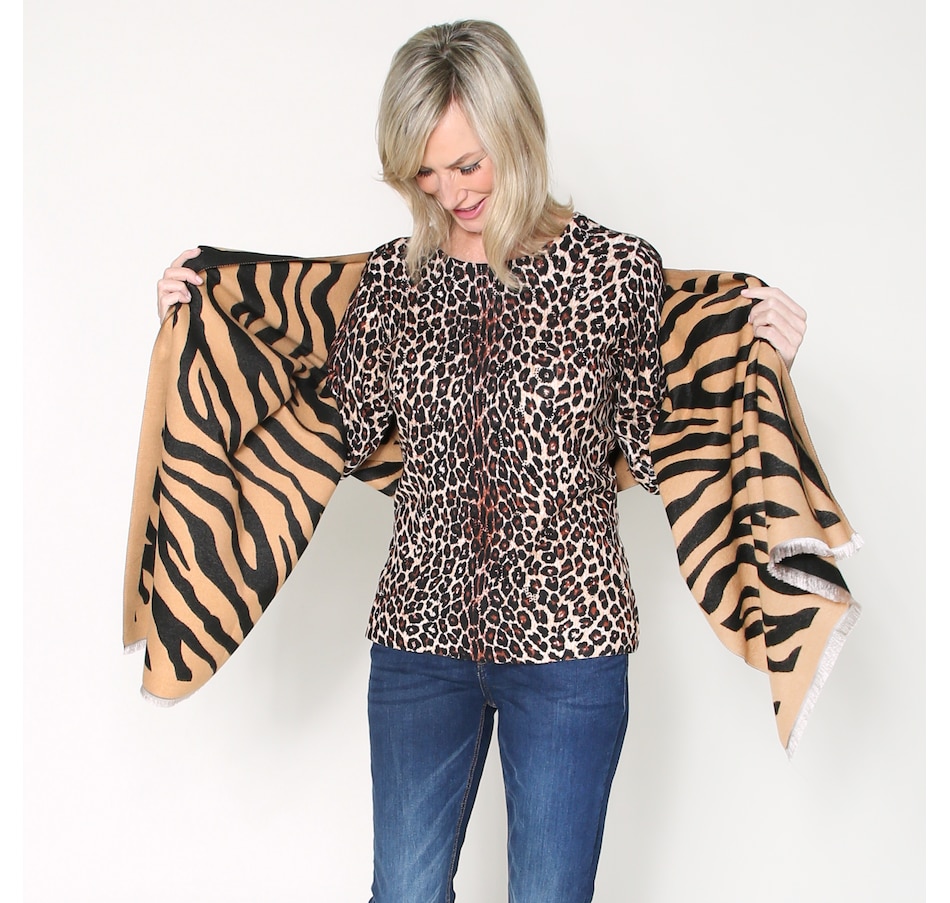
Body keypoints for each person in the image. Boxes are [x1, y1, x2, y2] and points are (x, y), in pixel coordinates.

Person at [155, 20, 807, 903]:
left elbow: (657, 446)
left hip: (572, 642)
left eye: (468, 163)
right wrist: (199, 326)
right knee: (403, 892)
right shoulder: (396, 282)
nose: (450, 191)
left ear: (518, 130)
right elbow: (333, 425)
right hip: (418, 639)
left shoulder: (616, 271)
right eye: (425, 173)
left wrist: (764, 366)